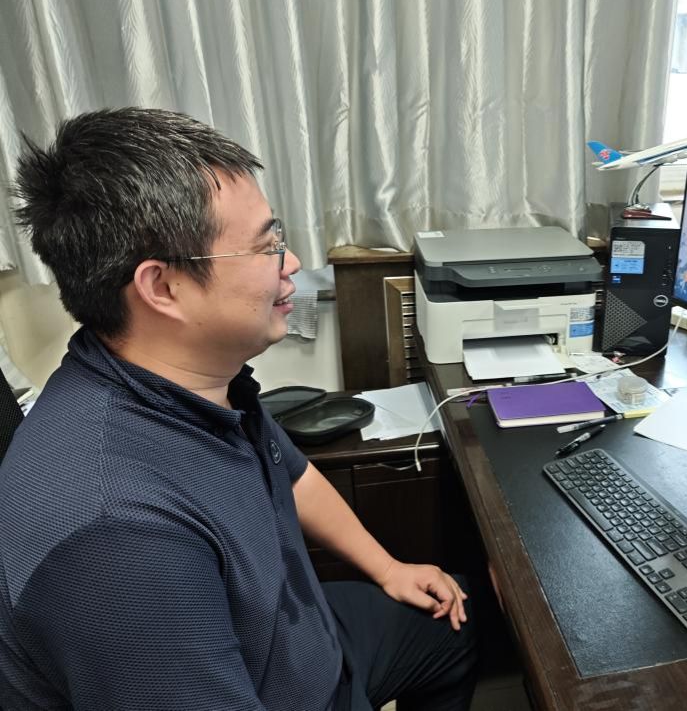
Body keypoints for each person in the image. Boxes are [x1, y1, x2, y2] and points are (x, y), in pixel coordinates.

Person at [0, 108, 476, 710]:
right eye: (267, 246)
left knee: (456, 623)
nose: (291, 263)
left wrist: (388, 569)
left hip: (302, 639)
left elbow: (291, 475)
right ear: (162, 287)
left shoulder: (195, 383)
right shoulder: (115, 537)